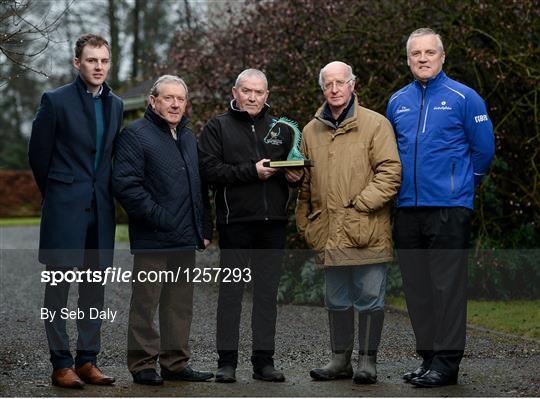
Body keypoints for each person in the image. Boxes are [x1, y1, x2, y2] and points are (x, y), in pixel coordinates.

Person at [386, 28, 495, 387]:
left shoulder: (465, 97)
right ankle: (428, 358)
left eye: (429, 52)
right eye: (415, 53)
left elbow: (483, 150)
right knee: (416, 288)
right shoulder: (397, 101)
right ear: (407, 59)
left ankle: (447, 363)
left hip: (449, 207)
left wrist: (462, 185)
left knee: (447, 287)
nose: (422, 58)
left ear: (442, 56)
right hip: (407, 208)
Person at [296, 61, 401, 385]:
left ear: (353, 84)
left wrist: (360, 206)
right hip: (328, 233)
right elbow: (305, 185)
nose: (335, 89)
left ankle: (367, 362)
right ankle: (339, 361)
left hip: (366, 229)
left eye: (341, 82)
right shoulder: (311, 131)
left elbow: (390, 172)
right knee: (337, 299)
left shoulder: (375, 124)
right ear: (322, 88)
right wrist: (305, 224)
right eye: (328, 84)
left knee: (370, 298)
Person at [28, 33, 122, 389]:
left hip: (101, 210)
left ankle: (87, 360)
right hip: (64, 208)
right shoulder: (55, 101)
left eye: (104, 61)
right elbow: (39, 156)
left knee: (94, 290)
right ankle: (60, 363)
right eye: (91, 60)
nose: (98, 67)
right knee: (58, 290)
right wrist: (58, 193)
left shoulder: (114, 105)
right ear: (77, 63)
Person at [198, 68, 303, 383]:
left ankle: (263, 362)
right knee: (230, 294)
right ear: (235, 92)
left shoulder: (282, 129)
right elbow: (209, 170)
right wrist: (250, 172)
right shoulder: (217, 128)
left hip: (273, 226)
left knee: (267, 295)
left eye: (259, 92)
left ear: (267, 95)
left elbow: (291, 167)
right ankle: (227, 362)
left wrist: (296, 177)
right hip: (236, 224)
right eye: (247, 91)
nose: (253, 97)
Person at [112, 75, 214, 385]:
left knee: (179, 305)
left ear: (186, 104)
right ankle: (142, 364)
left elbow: (199, 187)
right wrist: (161, 218)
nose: (174, 104)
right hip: (153, 239)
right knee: (146, 303)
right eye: (167, 98)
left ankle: (175, 363)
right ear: (153, 101)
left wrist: (204, 226)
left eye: (180, 99)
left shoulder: (187, 136)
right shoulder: (135, 136)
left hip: (184, 238)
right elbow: (126, 186)